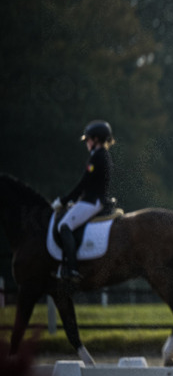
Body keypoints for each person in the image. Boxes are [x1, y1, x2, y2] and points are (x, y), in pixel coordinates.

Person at [53, 120, 115, 282]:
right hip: (92, 199)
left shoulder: (97, 157)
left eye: (88, 139)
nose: (87, 142)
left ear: (95, 139)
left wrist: (64, 201)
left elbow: (84, 184)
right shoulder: (101, 155)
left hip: (92, 201)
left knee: (64, 226)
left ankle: (72, 269)